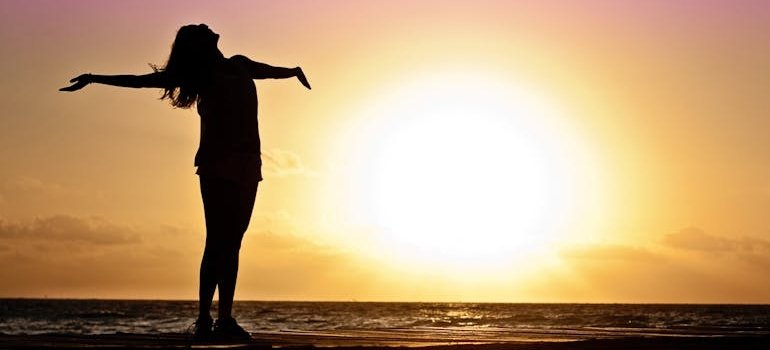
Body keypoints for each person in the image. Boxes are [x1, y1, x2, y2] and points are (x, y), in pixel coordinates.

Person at [60, 24, 311, 340]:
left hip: (250, 163)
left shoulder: (240, 64)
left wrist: (294, 71)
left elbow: (271, 72)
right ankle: (205, 319)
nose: (208, 26)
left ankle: (225, 319)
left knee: (233, 242)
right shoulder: (199, 75)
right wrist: (95, 78)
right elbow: (141, 82)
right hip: (216, 162)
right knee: (217, 240)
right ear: (198, 45)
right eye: (201, 29)